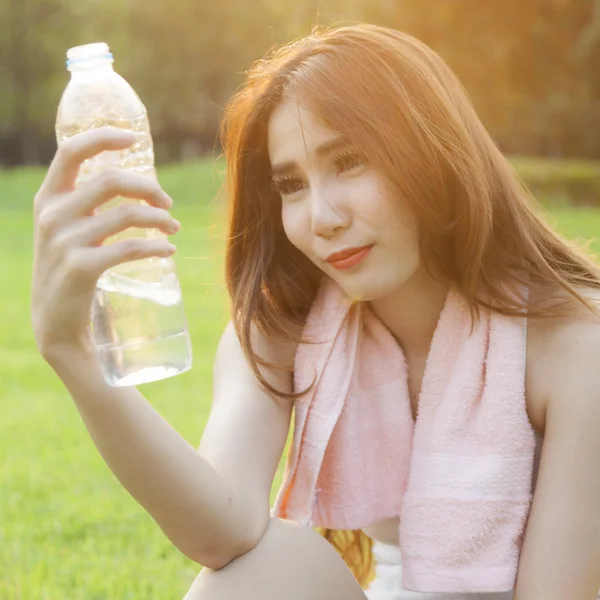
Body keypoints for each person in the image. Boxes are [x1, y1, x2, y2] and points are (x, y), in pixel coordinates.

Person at [30, 23, 600, 600]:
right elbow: (221, 532)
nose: (321, 217)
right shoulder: (289, 330)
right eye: (291, 185)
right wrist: (72, 352)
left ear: (433, 152)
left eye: (350, 162)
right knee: (270, 565)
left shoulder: (575, 348)